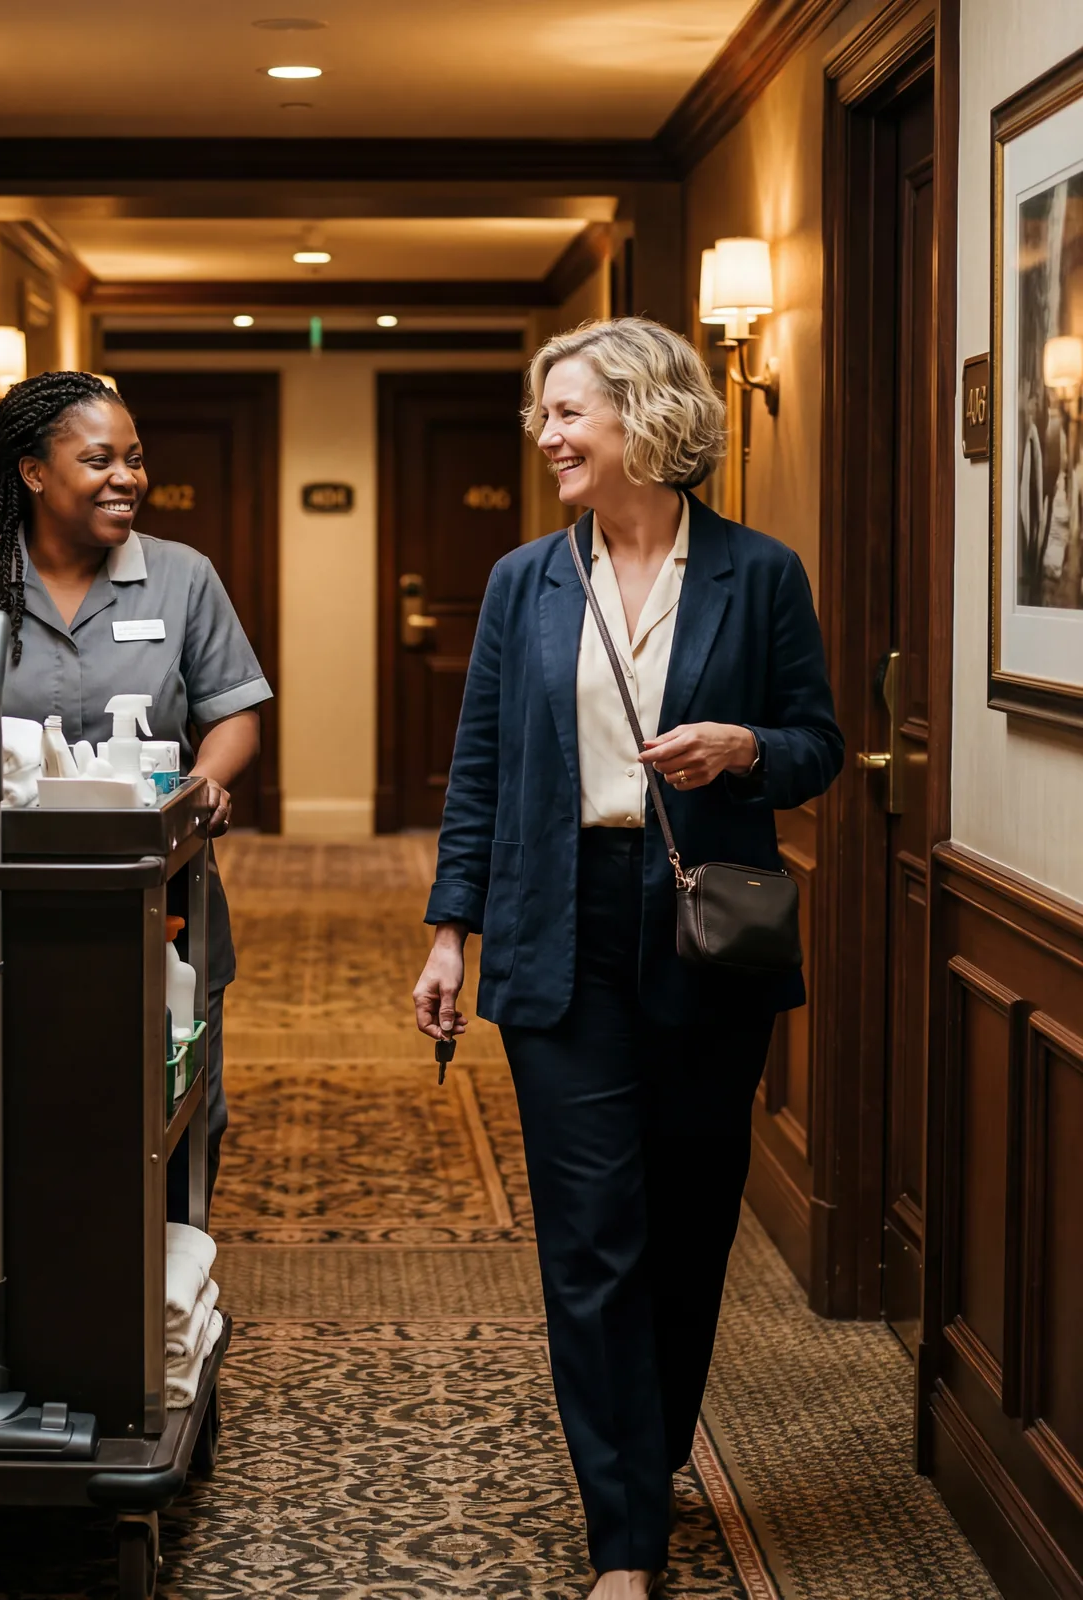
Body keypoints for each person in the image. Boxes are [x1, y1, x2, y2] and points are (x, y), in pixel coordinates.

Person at [411, 319, 843, 1598]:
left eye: (565, 413)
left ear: (643, 419)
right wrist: (451, 931)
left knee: (691, 1213)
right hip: (560, 921)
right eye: (544, 414)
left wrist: (743, 749)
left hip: (702, 923)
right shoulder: (521, 582)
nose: (544, 435)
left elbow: (816, 740)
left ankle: (640, 1450)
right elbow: (479, 765)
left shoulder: (759, 576)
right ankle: (624, 1532)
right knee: (593, 1231)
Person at [0, 370, 272, 1215]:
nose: (127, 478)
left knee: (175, 1108)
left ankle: (164, 1282)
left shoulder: (181, 577)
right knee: (18, 1112)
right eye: (99, 460)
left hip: (158, 896)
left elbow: (235, 714)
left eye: (134, 459)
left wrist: (207, 779)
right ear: (33, 472)